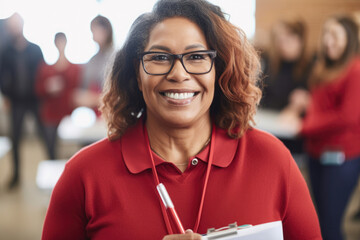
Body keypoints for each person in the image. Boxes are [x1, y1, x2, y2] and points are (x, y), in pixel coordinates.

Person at [42, 1, 322, 239]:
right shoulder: (83, 175)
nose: (178, 73)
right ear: (137, 75)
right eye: (160, 57)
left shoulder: (272, 161)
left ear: (219, 71)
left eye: (197, 56)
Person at [299, 15, 360, 240]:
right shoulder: (322, 67)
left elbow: (347, 117)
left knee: (330, 224)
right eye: (326, 34)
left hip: (341, 157)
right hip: (315, 152)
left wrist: (304, 126)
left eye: (335, 36)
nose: (328, 41)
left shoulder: (355, 70)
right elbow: (319, 105)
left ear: (349, 39)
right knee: (321, 219)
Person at [0, 13, 46, 189]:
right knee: (15, 138)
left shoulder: (35, 49)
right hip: (16, 101)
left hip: (35, 100)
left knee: (45, 134)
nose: (14, 28)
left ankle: (54, 168)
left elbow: (43, 74)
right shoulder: (6, 52)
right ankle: (16, 176)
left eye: (16, 25)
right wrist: (6, 95)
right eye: (11, 26)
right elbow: (2, 76)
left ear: (22, 25)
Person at [36, 32, 81, 159]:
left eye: (62, 41)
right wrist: (47, 87)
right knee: (51, 149)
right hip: (50, 114)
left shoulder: (75, 68)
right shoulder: (46, 68)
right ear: (55, 44)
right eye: (58, 42)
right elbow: (38, 89)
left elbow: (77, 90)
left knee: (71, 151)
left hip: (68, 113)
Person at [73, 15, 114, 112]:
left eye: (94, 30)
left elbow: (120, 95)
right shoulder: (93, 60)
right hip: (94, 114)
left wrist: (94, 99)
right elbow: (84, 86)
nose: (92, 35)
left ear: (105, 31)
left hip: (111, 113)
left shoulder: (116, 57)